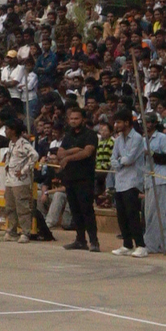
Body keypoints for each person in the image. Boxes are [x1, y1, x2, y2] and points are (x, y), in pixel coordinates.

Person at [57, 108, 100, 252]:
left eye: (76, 118)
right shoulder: (68, 135)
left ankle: (94, 241)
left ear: (83, 119)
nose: (73, 121)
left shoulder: (90, 134)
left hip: (85, 178)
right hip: (70, 177)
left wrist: (68, 157)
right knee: (75, 210)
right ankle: (80, 240)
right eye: (71, 119)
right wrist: (76, 150)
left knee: (87, 210)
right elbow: (59, 153)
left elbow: (87, 152)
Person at [110, 108, 147, 257]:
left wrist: (119, 161)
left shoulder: (137, 138)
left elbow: (130, 159)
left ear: (126, 122)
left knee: (132, 214)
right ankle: (127, 244)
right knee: (121, 215)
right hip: (119, 181)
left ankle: (141, 245)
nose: (116, 125)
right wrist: (120, 162)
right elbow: (113, 159)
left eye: (119, 122)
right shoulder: (118, 139)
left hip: (132, 181)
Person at [1, 120, 39, 242]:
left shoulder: (23, 143)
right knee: (10, 207)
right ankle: (11, 231)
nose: (5, 131)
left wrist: (24, 170)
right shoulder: (11, 143)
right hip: (10, 179)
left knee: (22, 207)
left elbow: (34, 156)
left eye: (7, 129)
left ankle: (25, 232)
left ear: (13, 131)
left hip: (20, 180)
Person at [143, 112, 166, 253]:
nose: (146, 125)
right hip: (148, 179)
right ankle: (165, 244)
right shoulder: (143, 139)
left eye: (149, 122)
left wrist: (150, 153)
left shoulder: (162, 138)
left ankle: (151, 245)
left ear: (154, 123)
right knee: (151, 213)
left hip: (160, 178)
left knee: (156, 213)